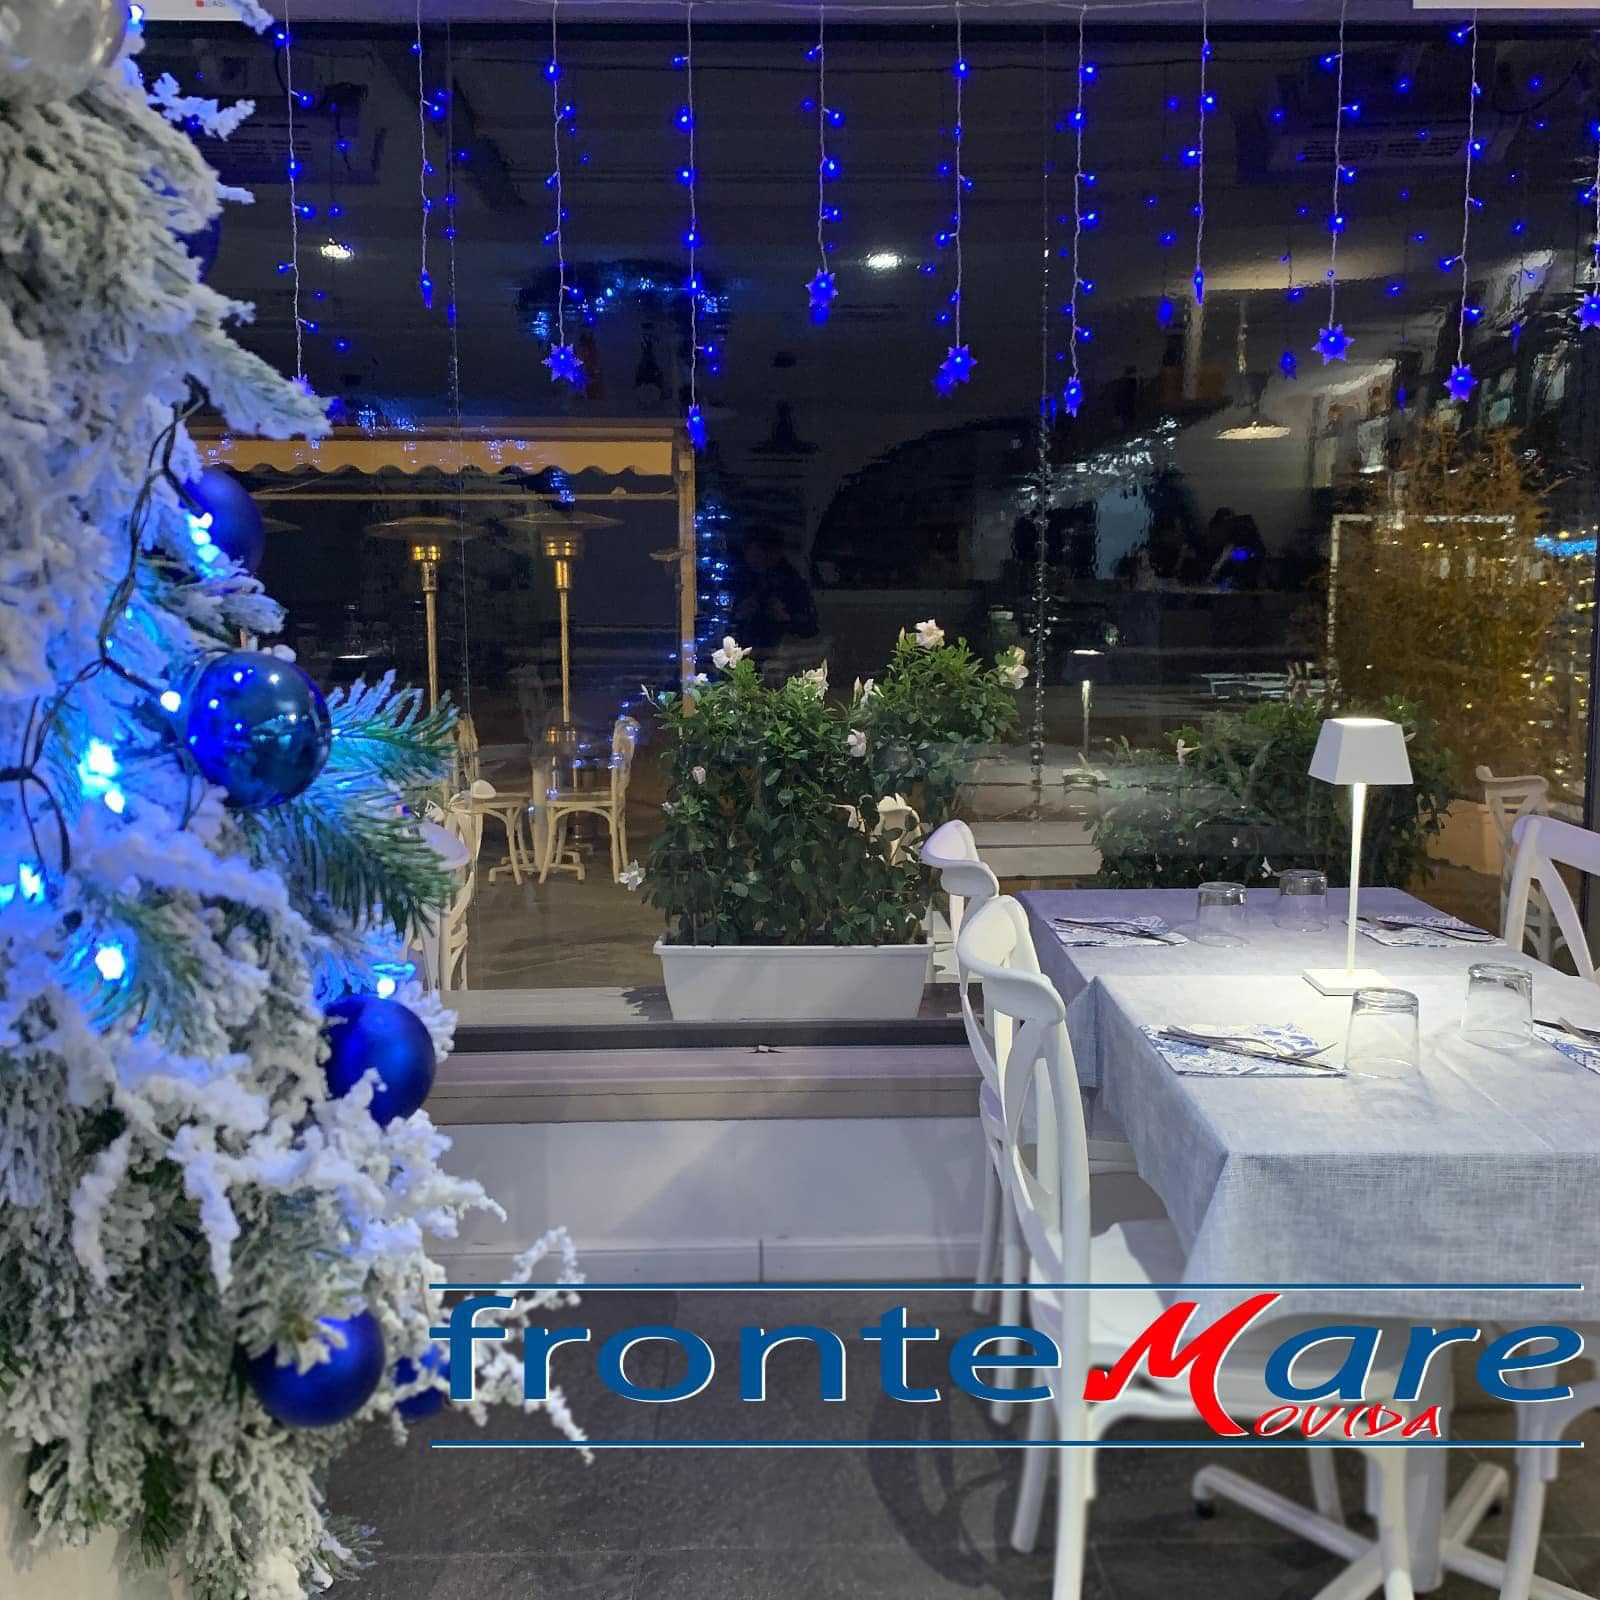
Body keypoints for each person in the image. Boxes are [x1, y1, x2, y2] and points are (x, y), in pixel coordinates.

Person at [728, 527, 820, 650]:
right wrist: (738, 614)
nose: (761, 559)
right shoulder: (732, 578)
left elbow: (811, 627)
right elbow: (714, 619)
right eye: (756, 554)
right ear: (746, 551)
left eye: (768, 553)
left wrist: (785, 618)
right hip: (737, 650)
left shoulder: (792, 582)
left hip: (782, 651)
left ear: (778, 553)